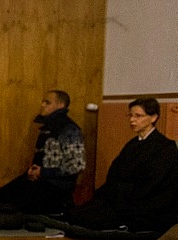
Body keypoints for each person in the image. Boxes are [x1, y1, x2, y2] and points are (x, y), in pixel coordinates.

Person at [65, 98, 178, 233]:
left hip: (142, 204)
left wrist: (120, 195)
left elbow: (154, 184)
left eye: (138, 116)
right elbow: (115, 174)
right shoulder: (132, 145)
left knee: (90, 219)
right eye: (130, 115)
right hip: (121, 197)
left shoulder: (165, 148)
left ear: (153, 117)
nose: (132, 120)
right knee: (76, 214)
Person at [0, 90, 85, 216]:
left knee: (19, 205)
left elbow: (77, 165)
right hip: (39, 179)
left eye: (47, 102)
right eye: (43, 102)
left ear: (61, 105)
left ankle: (60, 204)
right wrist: (32, 172)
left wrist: (43, 172)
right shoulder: (47, 128)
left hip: (57, 185)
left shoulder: (69, 129)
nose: (42, 105)